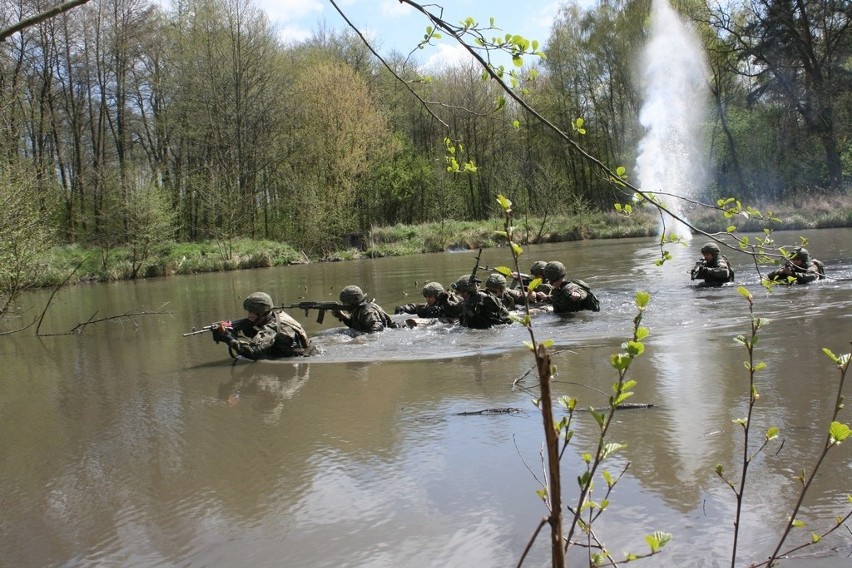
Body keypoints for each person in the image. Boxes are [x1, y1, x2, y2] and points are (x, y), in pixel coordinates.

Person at [210, 292, 311, 359]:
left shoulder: (272, 327)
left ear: (261, 313)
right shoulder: (277, 314)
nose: (249, 315)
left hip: (297, 358)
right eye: (249, 311)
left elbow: (253, 352)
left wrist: (229, 338)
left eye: (252, 312)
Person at [332, 285, 398, 332]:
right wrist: (343, 317)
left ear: (353, 303)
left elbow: (378, 327)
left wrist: (363, 339)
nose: (343, 305)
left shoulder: (368, 311)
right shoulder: (358, 310)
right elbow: (356, 325)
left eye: (345, 303)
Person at [394, 281, 462, 319]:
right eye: (425, 297)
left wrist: (445, 302)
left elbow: (453, 309)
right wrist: (404, 308)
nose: (427, 299)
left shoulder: (452, 300)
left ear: (437, 296)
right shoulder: (433, 303)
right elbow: (418, 307)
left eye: (430, 297)